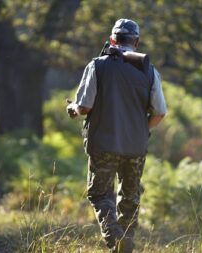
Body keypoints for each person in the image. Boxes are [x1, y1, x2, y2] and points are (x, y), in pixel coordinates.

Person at [66, 18, 166, 253]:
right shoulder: (150, 71)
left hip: (102, 145)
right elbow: (160, 112)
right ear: (137, 42)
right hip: (136, 147)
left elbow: (85, 106)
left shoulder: (97, 65)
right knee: (130, 197)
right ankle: (126, 242)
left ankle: (115, 237)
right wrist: (143, 130)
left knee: (100, 193)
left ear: (112, 40)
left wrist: (72, 109)